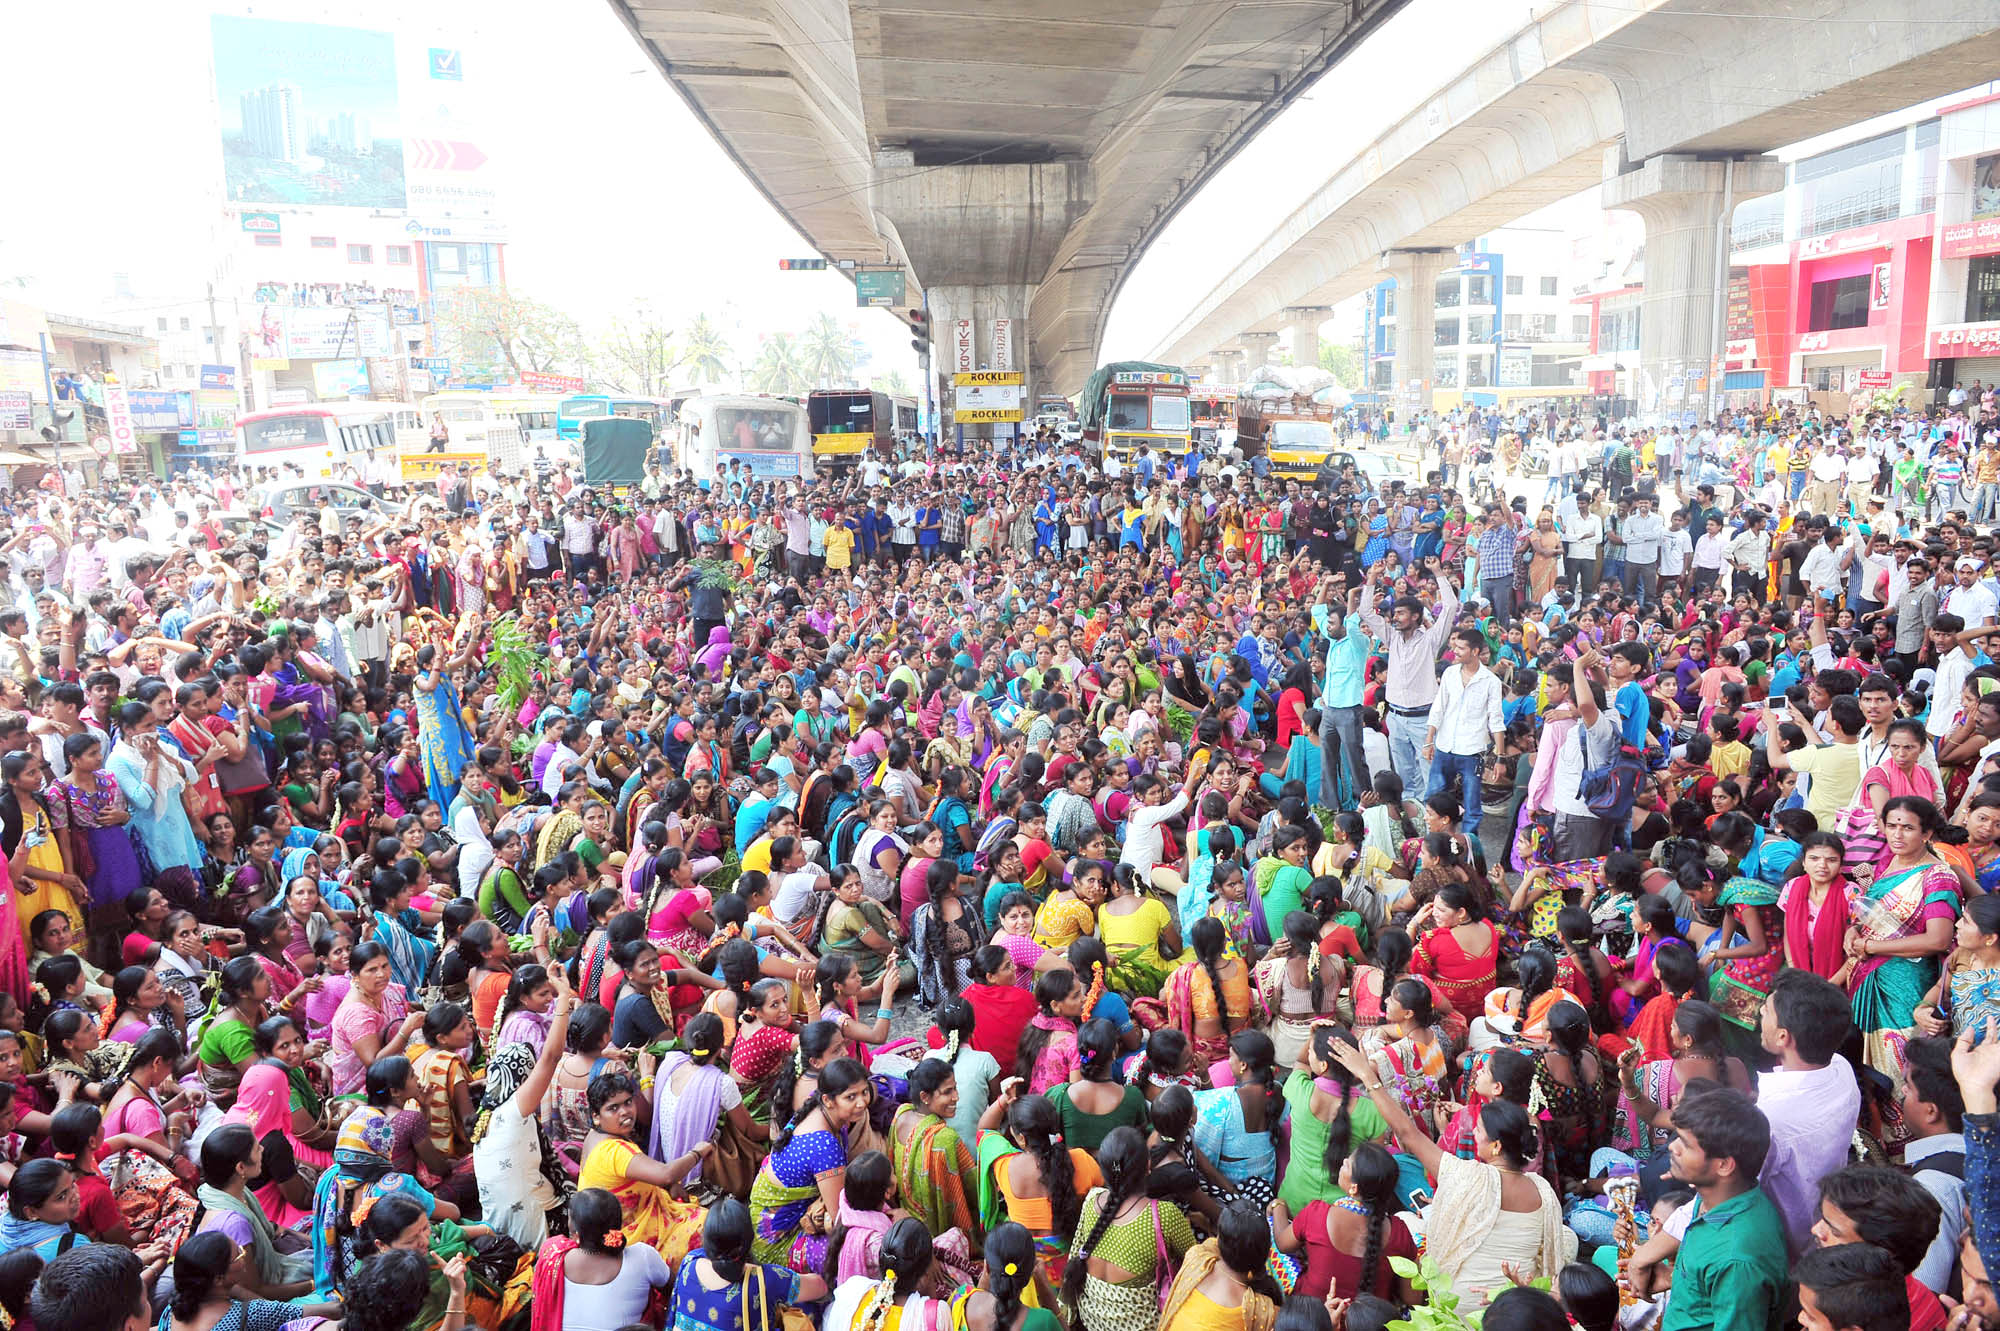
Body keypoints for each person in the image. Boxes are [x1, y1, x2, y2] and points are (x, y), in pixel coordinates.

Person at [1326, 1039, 1570, 1310]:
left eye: (1479, 1130)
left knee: (1406, 1220)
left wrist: (1368, 1077)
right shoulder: (1543, 1192)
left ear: (1497, 1146)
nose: (1474, 1133)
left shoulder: (1467, 1176)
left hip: (1459, 1310)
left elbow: (1408, 1133)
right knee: (1567, 1238)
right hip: (1517, 1308)